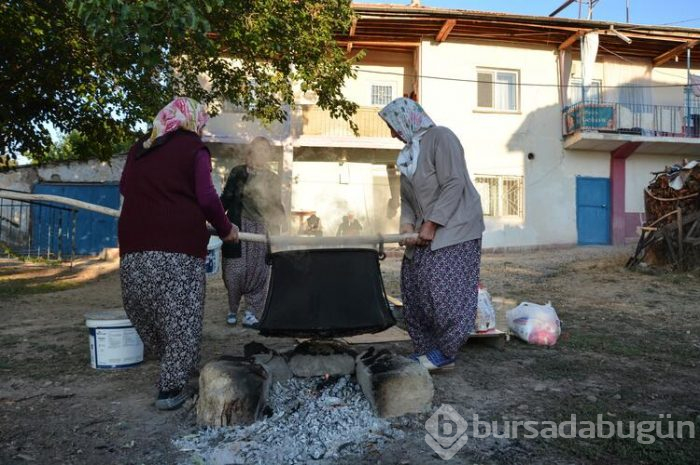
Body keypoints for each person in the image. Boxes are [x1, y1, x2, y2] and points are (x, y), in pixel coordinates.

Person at [119, 97, 238, 410]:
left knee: (145, 309)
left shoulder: (139, 149)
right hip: (177, 247)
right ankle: (171, 389)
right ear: (191, 120)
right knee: (181, 317)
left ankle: (180, 367)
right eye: (201, 123)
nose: (202, 128)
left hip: (134, 246)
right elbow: (207, 197)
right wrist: (226, 230)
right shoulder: (192, 148)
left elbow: (124, 188)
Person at [378, 97, 485, 371]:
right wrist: (406, 227)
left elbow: (454, 183)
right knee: (413, 286)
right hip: (427, 230)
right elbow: (408, 202)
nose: (392, 132)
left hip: (456, 228)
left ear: (406, 119)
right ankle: (428, 349)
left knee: (443, 290)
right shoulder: (408, 156)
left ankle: (446, 351)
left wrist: (431, 224)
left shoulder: (441, 137)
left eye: (393, 125)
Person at [220, 137, 286, 328]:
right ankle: (233, 307)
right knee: (234, 272)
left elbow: (276, 204)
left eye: (266, 151)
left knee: (259, 272)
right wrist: (214, 218)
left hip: (260, 229)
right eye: (258, 150)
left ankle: (251, 312)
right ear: (250, 152)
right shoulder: (238, 172)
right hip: (238, 227)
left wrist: (281, 227)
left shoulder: (272, 177)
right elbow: (226, 198)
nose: (262, 154)